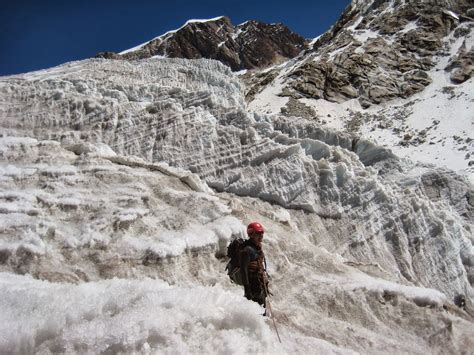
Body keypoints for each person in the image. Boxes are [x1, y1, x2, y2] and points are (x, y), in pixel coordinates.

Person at [240, 222, 269, 309]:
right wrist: (247, 289)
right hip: (252, 286)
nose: (261, 236)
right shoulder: (247, 250)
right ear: (251, 234)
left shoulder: (257, 247)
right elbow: (243, 269)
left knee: (261, 308)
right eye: (258, 234)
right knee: (256, 310)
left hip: (258, 284)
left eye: (262, 233)